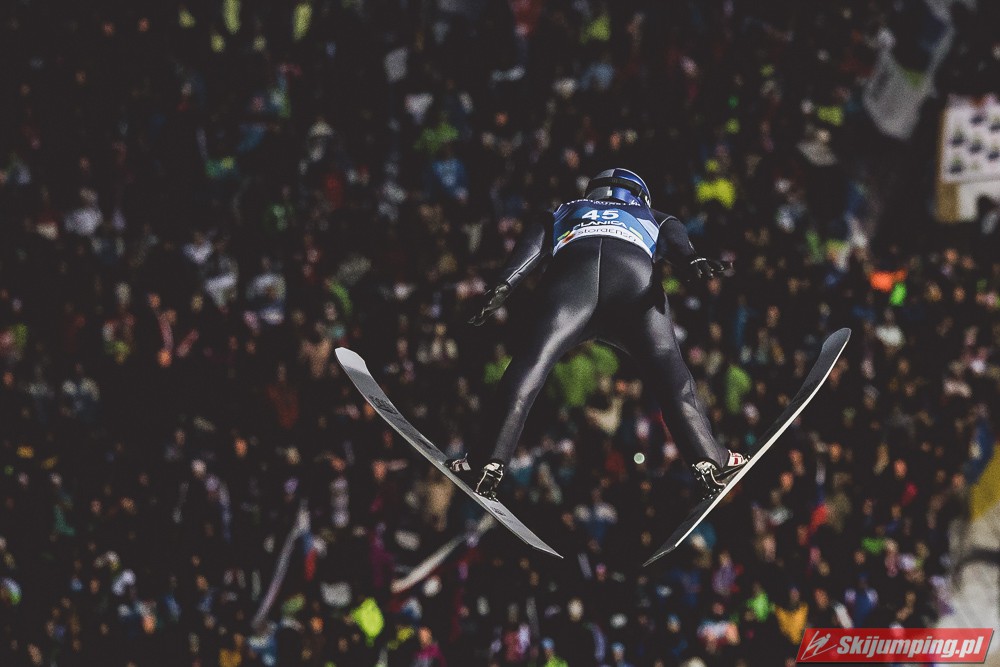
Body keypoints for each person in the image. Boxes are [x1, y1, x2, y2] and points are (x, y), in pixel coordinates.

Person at [449, 168, 747, 499]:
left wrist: (501, 286)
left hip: (572, 279)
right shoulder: (653, 215)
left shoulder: (563, 209)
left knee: (531, 363)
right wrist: (691, 259)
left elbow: (524, 257)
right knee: (669, 370)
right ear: (640, 195)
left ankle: (488, 459)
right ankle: (709, 457)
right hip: (632, 281)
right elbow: (679, 245)